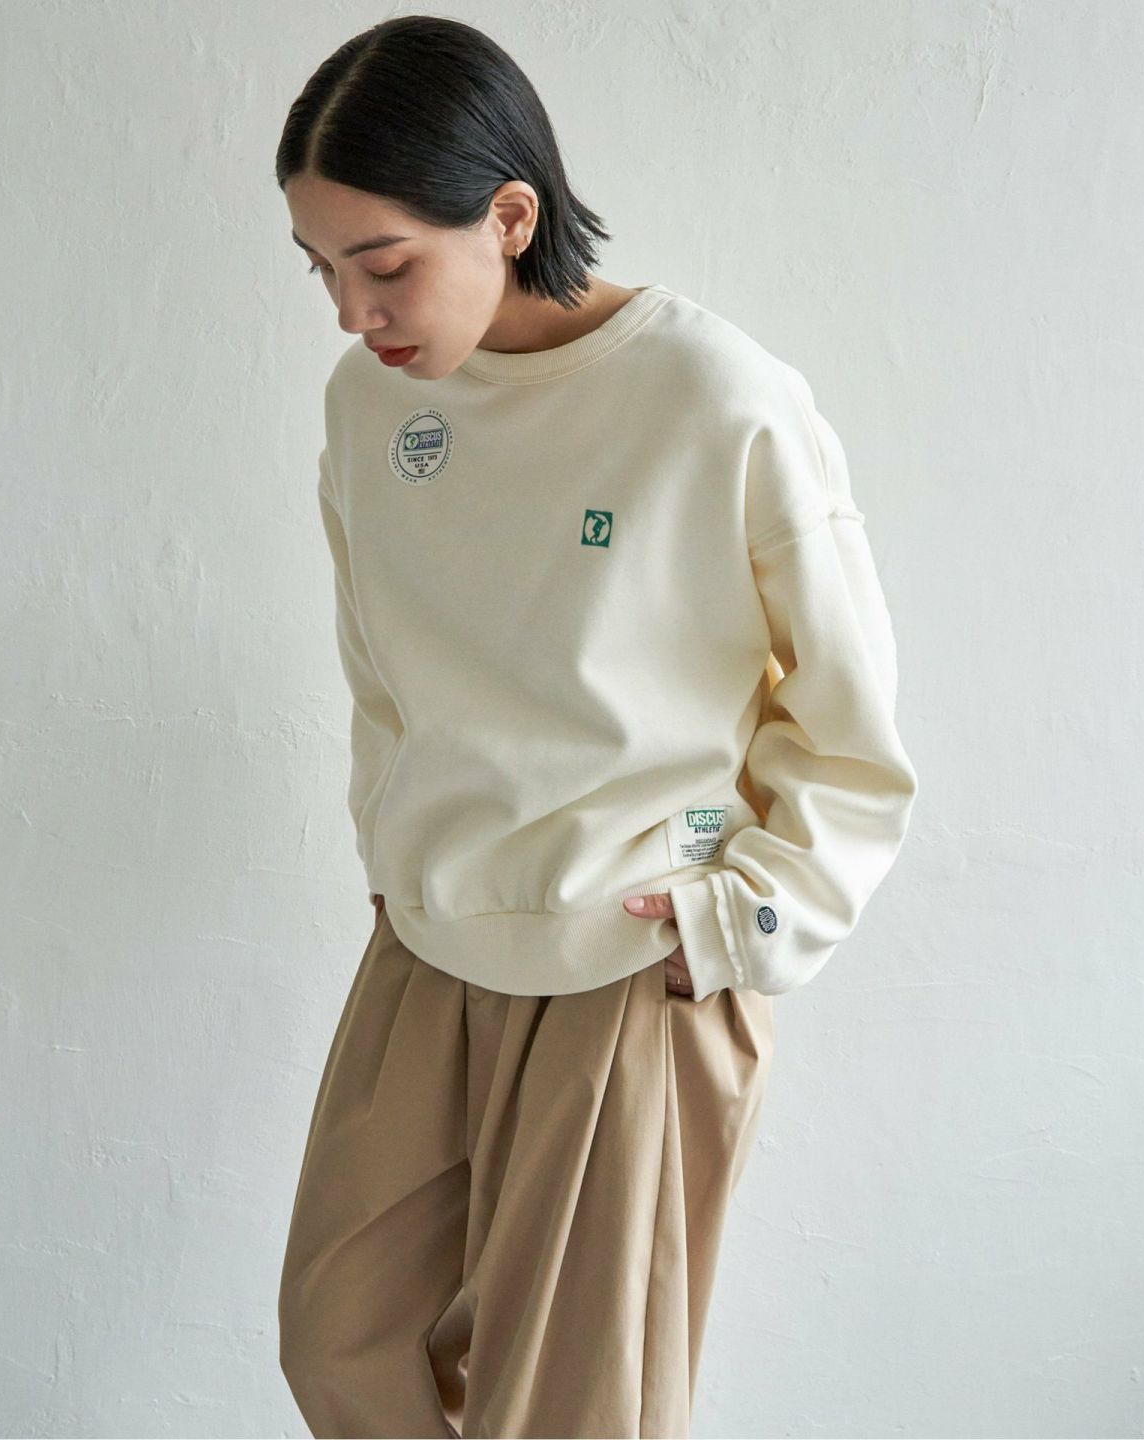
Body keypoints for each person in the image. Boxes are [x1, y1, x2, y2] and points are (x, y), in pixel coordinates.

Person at [274, 15, 919, 1439]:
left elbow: (847, 725)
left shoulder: (714, 397)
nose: (353, 314)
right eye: (320, 270)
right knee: (340, 1342)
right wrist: (390, 844)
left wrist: (742, 920)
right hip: (431, 941)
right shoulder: (367, 409)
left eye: (384, 264)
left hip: (632, 957)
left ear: (510, 217)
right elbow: (380, 668)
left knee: (569, 1415)